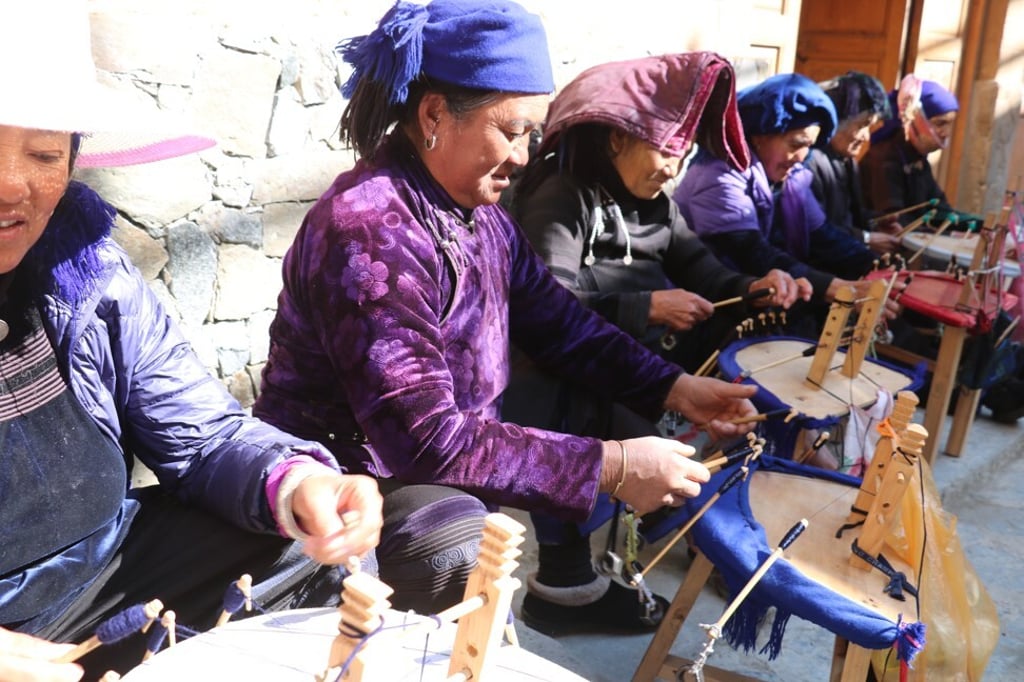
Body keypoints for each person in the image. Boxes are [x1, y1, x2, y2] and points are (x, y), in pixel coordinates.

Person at [253, 0, 758, 635]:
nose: (523, 156)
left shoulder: (480, 216)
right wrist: (614, 467)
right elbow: (427, 440)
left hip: (427, 475)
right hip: (347, 497)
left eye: (532, 134)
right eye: (511, 130)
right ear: (435, 113)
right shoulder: (371, 232)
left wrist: (679, 390)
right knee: (461, 546)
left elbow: (561, 323)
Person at [0, 4, 383, 680]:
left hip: (104, 573)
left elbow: (204, 435)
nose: (11, 187)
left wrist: (298, 483)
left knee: (304, 549)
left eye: (43, 154)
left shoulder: (85, 270)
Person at [501, 52, 806, 634]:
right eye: (667, 149)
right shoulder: (560, 197)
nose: (674, 168)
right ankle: (563, 585)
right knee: (572, 399)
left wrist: (756, 288)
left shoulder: (659, 207)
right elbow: (546, 314)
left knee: (729, 417)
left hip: (633, 364)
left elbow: (708, 272)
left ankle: (668, 545)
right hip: (556, 375)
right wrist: (645, 306)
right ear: (619, 139)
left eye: (684, 153)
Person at [674, 73, 896, 333]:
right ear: (760, 135)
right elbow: (751, 253)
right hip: (707, 307)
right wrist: (836, 288)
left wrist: (879, 267)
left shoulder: (792, 179)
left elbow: (822, 236)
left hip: (759, 297)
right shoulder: (718, 175)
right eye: (796, 144)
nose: (802, 157)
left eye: (809, 146)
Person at [804, 71, 901, 254]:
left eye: (869, 127)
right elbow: (816, 231)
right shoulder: (810, 162)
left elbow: (850, 216)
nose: (866, 137)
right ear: (835, 121)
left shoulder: (846, 160)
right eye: (861, 125)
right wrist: (865, 239)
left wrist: (876, 223)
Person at [859, 75, 962, 227]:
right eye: (940, 123)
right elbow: (894, 222)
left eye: (949, 124)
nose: (946, 133)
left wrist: (981, 225)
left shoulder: (916, 156)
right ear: (917, 117)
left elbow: (939, 210)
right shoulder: (884, 158)